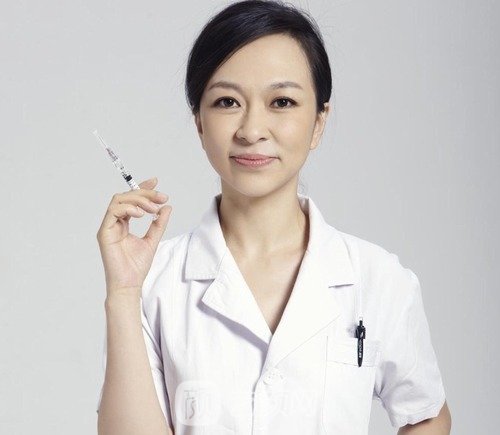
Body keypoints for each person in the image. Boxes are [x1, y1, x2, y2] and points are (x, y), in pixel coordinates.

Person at [95, 1, 452, 434]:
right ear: (200, 124)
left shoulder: (377, 279)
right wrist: (123, 293)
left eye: (282, 101)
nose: (251, 130)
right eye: (227, 101)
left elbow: (426, 414)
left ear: (318, 121)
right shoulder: (154, 283)